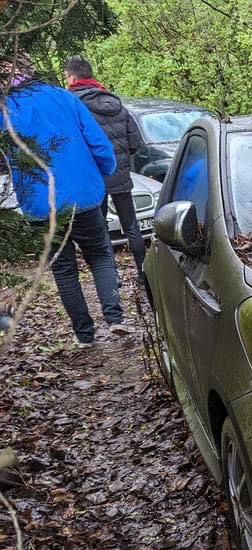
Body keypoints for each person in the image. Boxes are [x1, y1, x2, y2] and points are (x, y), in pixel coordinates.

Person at [2, 57, 130, 348]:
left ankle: (84, 335)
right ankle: (115, 319)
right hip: (83, 194)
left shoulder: (5, 111)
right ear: (32, 72)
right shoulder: (62, 97)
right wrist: (104, 171)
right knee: (99, 255)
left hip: (40, 204)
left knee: (63, 268)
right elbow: (98, 143)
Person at [64, 56, 146, 281]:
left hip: (93, 179)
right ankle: (143, 273)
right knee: (132, 227)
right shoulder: (115, 102)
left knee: (100, 232)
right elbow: (135, 143)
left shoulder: (70, 105)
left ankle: (111, 279)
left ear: (72, 77)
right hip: (119, 174)